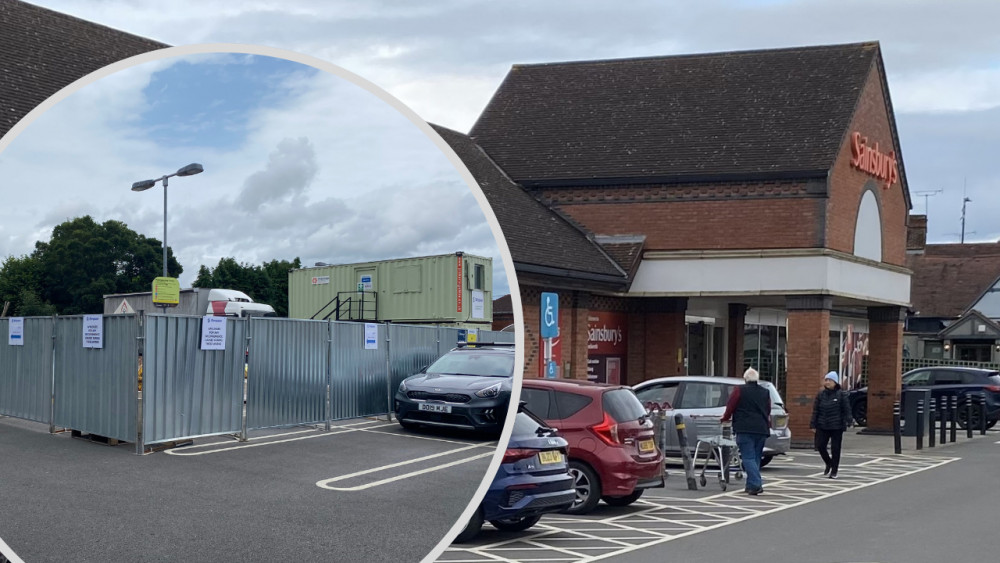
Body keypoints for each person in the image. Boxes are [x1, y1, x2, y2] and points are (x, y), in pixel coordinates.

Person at [721, 367, 771, 495]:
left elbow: (731, 406)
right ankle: (750, 485)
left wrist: (725, 418)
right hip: (761, 428)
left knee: (748, 457)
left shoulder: (739, 390)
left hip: (744, 428)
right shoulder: (765, 392)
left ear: (745, 379)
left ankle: (755, 484)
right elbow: (768, 409)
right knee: (755, 458)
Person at [810, 371, 852, 479]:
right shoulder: (821, 394)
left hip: (836, 426)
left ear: (835, 382)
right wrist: (813, 424)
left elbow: (846, 409)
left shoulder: (841, 394)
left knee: (835, 448)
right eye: (826, 380)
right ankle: (829, 462)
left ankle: (834, 470)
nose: (827, 382)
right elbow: (816, 410)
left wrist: (849, 420)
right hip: (822, 424)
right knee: (820, 446)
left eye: (830, 380)